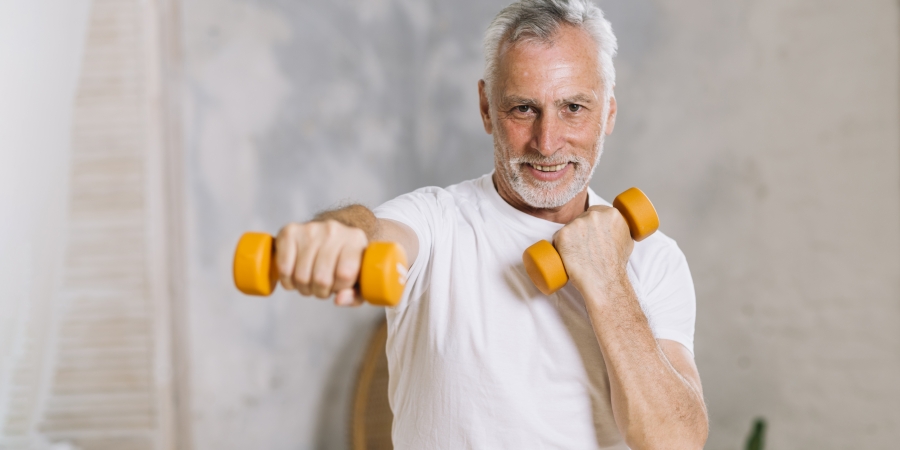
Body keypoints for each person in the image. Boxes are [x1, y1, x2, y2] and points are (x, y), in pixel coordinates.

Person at [275, 0, 708, 448]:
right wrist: (339, 236)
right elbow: (373, 234)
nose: (547, 142)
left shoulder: (656, 260)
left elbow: (676, 442)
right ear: (486, 108)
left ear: (609, 113)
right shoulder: (438, 222)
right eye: (523, 108)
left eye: (574, 107)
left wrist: (609, 283)